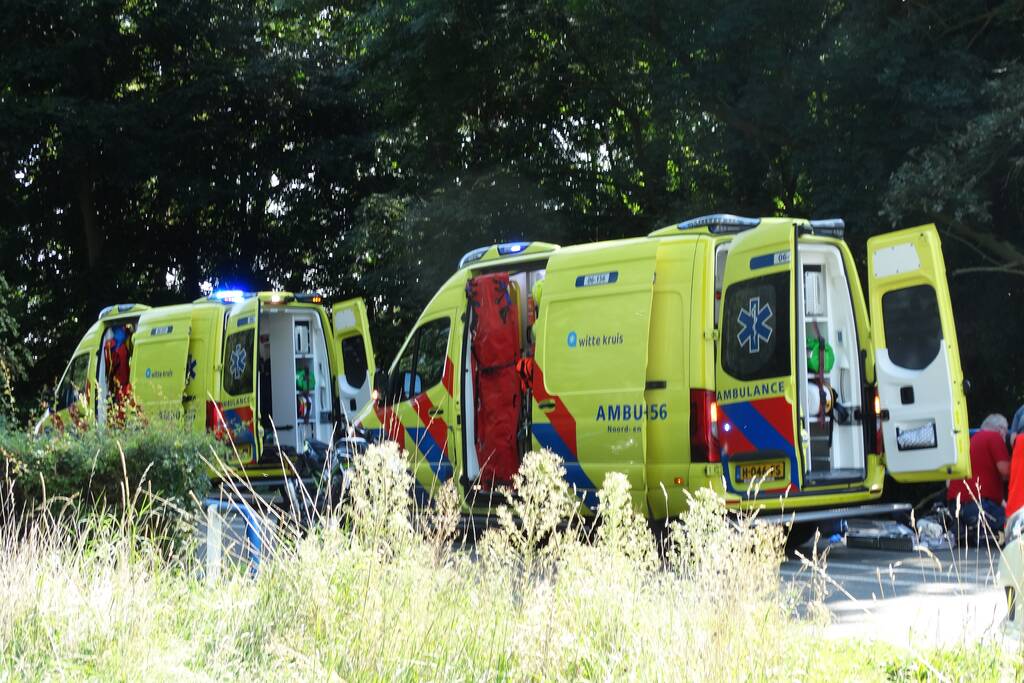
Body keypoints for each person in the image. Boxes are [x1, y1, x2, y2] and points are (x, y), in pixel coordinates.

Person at [947, 413, 1011, 533]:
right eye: (1006, 431)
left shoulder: (968, 441)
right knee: (1016, 522)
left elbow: (949, 483)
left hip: (955, 508)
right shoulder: (994, 437)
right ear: (1001, 429)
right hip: (979, 507)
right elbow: (1006, 472)